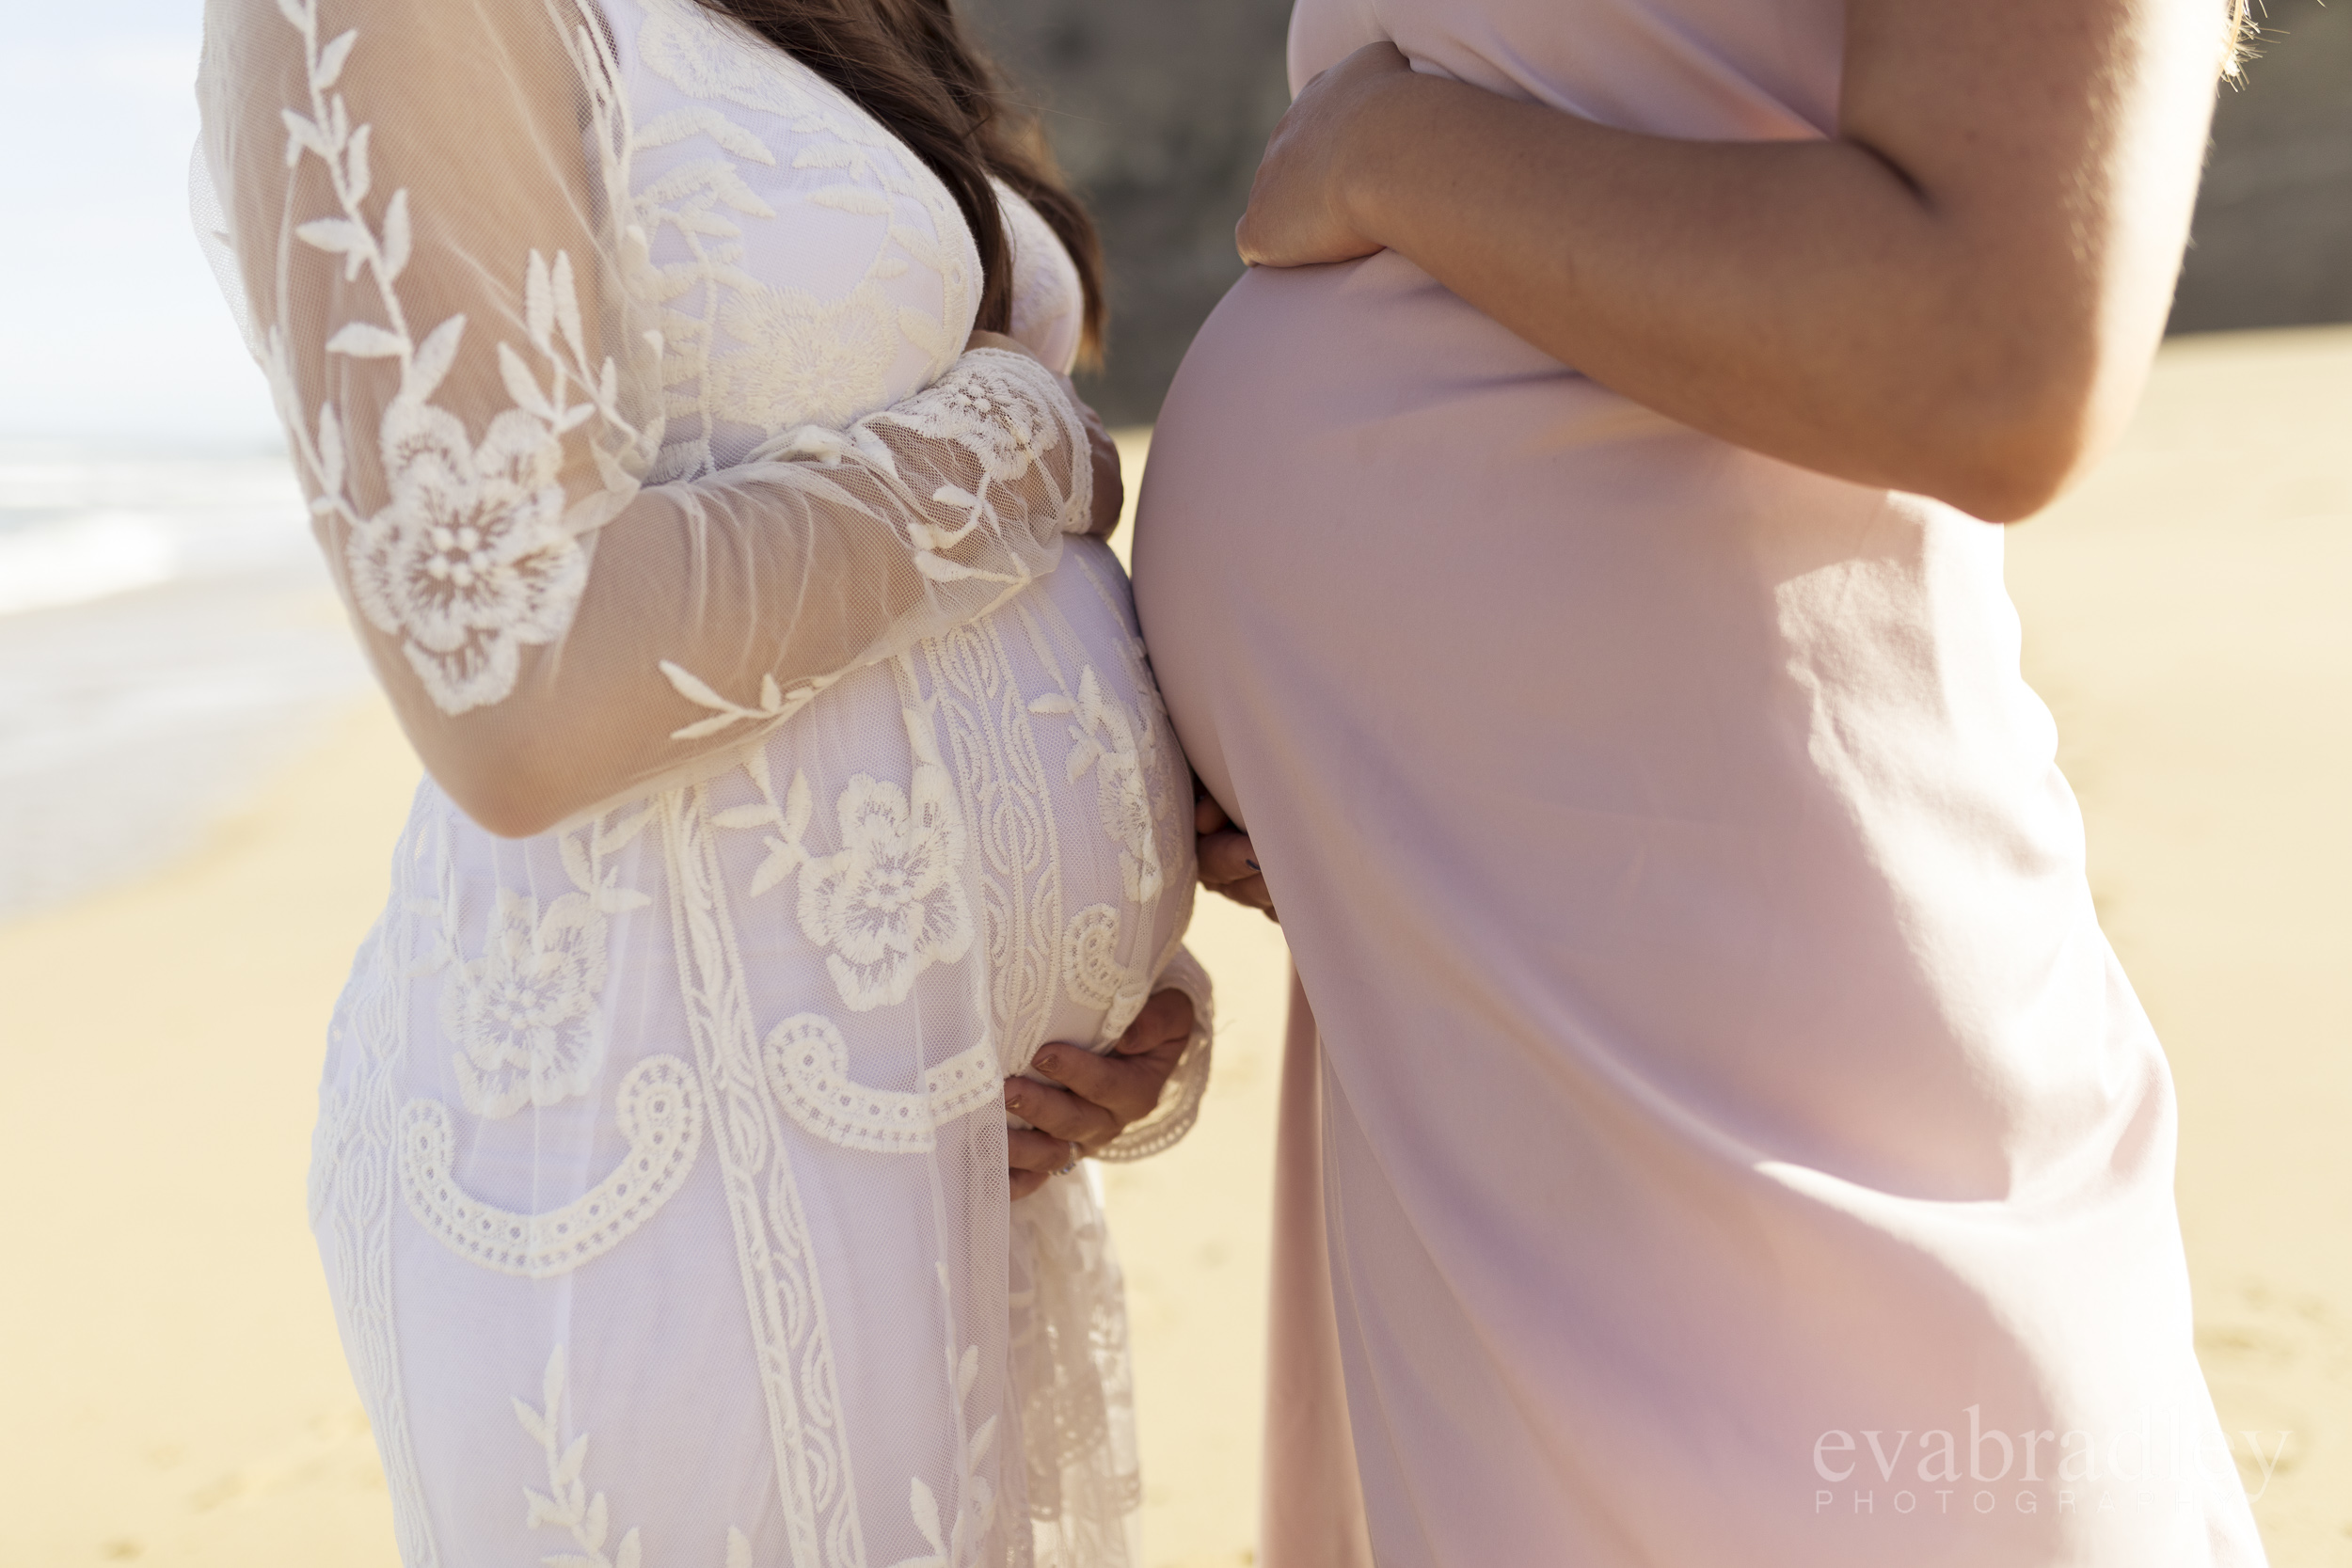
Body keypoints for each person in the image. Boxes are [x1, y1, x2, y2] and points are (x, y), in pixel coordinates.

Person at [1138, 0, 2266, 1561]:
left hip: (1738, 988)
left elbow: (1998, 349)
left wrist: (1395, 150)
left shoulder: (1399, 150)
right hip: (1512, 974)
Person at [191, 0, 1209, 1562]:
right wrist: (1011, 442)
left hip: (936, 1145)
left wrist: (1112, 968)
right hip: (658, 1157)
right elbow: (519, 682)